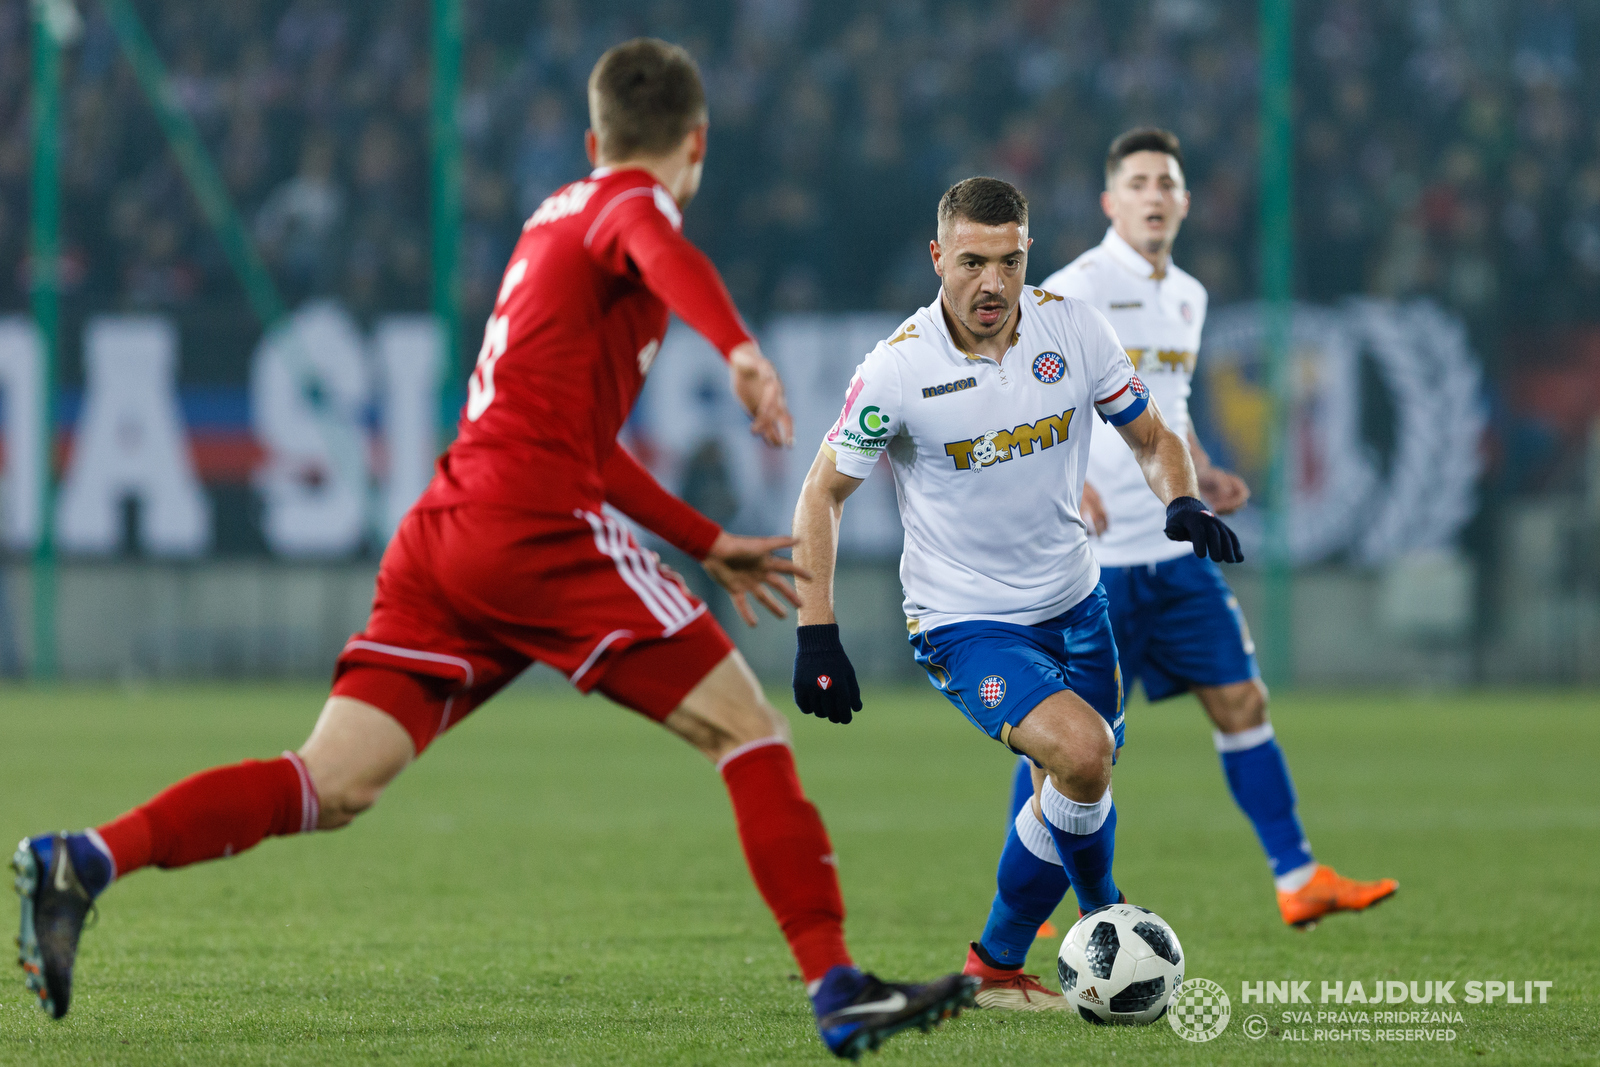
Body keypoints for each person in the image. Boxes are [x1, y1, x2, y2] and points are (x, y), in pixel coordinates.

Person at [13, 39, 974, 1058]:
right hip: (536, 529)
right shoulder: (629, 208)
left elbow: (582, 438)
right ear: (696, 143)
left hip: (449, 529)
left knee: (329, 780)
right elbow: (660, 249)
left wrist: (703, 540)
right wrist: (736, 347)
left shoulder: (551, 216)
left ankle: (85, 857)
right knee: (747, 731)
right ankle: (836, 984)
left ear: (591, 133)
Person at [788, 176, 1241, 1014]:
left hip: (1077, 602)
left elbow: (1150, 434)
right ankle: (1101, 916)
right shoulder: (899, 366)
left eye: (1008, 261)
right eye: (971, 262)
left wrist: (1179, 499)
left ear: (1026, 252)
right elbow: (823, 493)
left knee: (1076, 781)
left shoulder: (1073, 328)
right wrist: (818, 634)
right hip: (966, 621)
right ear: (938, 257)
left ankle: (997, 965)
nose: (991, 283)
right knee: (1082, 754)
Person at [1023, 127, 1397, 934]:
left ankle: (1299, 878)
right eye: (1140, 182)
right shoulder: (1069, 289)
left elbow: (1167, 407)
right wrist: (1075, 479)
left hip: (1172, 548)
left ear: (1186, 203)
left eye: (1167, 182)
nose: (1155, 194)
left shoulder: (1188, 296)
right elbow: (1024, 400)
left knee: (1242, 699)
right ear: (1109, 202)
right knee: (1073, 738)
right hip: (1094, 564)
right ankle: (1041, 901)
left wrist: (1196, 471)